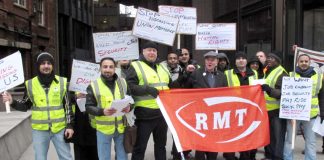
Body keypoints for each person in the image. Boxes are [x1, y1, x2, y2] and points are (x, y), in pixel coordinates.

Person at [1, 52, 74, 160]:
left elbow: (68, 106)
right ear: (38, 66)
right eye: (43, 63)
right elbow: (25, 105)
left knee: (66, 157)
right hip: (40, 130)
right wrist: (12, 102)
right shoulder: (30, 84)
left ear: (52, 65)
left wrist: (70, 126)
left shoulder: (62, 82)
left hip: (60, 129)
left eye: (49, 63)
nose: (46, 66)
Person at [127, 41, 175, 160]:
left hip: (162, 113)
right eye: (149, 50)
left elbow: (170, 85)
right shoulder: (135, 65)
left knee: (161, 146)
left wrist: (185, 76)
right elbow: (129, 86)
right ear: (143, 52)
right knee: (140, 148)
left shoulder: (162, 67)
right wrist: (146, 89)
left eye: (154, 50)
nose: (151, 53)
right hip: (144, 115)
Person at [184, 51, 228, 160]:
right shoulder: (196, 73)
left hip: (216, 116)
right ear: (205, 61)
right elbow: (186, 89)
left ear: (217, 62)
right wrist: (186, 73)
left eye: (213, 60)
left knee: (213, 144)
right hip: (200, 114)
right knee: (200, 143)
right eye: (208, 59)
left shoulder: (222, 76)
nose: (210, 61)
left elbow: (226, 94)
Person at [85, 57, 131, 160]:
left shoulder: (123, 83)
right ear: (100, 68)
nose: (108, 69)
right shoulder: (93, 85)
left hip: (121, 127)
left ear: (115, 69)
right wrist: (102, 111)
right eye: (105, 67)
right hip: (103, 129)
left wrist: (129, 107)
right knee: (104, 157)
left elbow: (131, 100)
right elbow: (88, 107)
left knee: (123, 157)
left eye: (111, 67)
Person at [283, 54, 324, 160]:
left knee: (311, 141)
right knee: (289, 140)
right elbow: (286, 94)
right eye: (301, 61)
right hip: (294, 115)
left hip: (311, 114)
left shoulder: (318, 76)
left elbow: (322, 95)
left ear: (309, 63)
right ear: (298, 62)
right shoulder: (290, 75)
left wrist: (322, 111)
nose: (304, 63)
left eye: (306, 61)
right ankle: (288, 158)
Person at [224, 52, 258, 160]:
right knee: (232, 135)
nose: (241, 60)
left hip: (249, 110)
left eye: (243, 58)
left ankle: (245, 157)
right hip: (232, 110)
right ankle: (230, 157)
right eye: (238, 58)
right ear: (235, 61)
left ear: (246, 61)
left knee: (247, 135)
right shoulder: (228, 73)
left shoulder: (254, 73)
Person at [261, 51, 288, 160]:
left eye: (272, 58)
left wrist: (269, 89)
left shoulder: (282, 72)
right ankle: (269, 156)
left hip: (277, 111)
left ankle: (277, 157)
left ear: (278, 61)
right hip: (267, 110)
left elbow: (282, 93)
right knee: (269, 136)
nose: (269, 60)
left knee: (277, 137)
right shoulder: (267, 70)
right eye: (268, 58)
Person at [71, 92, 98, 160]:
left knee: (95, 152)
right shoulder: (70, 82)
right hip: (79, 124)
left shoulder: (97, 82)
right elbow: (65, 98)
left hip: (94, 124)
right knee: (80, 153)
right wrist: (75, 96)